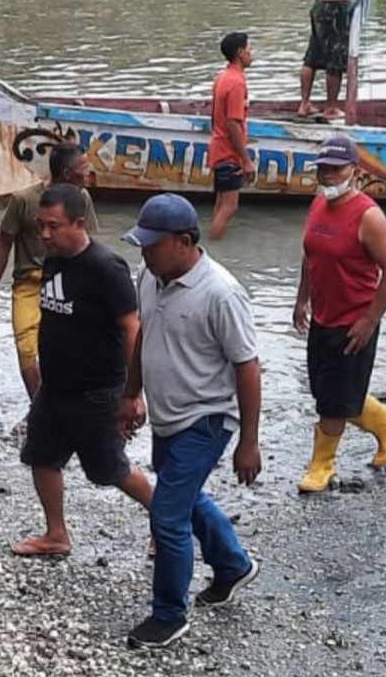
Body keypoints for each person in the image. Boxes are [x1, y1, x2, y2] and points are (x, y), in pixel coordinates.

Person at [121, 193, 263, 649]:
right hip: (168, 415)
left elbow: (248, 366)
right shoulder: (151, 276)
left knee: (166, 515)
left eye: (152, 244)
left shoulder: (221, 293)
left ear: (183, 242)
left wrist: (249, 442)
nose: (143, 252)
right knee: (182, 498)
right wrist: (131, 392)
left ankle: (169, 615)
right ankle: (233, 565)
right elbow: (144, 335)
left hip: (206, 417)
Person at [11, 184, 153, 558]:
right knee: (40, 457)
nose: (44, 235)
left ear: (78, 223)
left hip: (97, 391)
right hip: (54, 387)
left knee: (112, 470)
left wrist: (132, 393)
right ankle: (56, 534)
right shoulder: (54, 260)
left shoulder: (106, 268)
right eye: (41, 226)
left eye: (53, 226)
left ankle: (165, 520)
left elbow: (132, 327)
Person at [293, 136, 386, 493]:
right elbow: (310, 255)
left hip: (354, 321)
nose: (327, 176)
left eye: (335, 169)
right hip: (323, 316)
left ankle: (321, 466)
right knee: (328, 391)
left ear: (354, 171)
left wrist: (370, 319)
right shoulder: (318, 205)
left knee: (332, 400)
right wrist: (301, 299)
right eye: (322, 170)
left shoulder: (368, 216)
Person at [0, 143, 100, 402]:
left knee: (72, 346)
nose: (89, 173)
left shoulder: (82, 200)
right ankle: (39, 407)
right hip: (29, 282)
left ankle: (65, 400)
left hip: (69, 279)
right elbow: (4, 242)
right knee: (26, 348)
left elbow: (91, 245)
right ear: (68, 173)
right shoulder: (23, 200)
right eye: (83, 168)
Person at [208, 32, 255, 241]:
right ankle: (214, 246)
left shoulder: (222, 77)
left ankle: (211, 244)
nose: (252, 54)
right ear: (240, 53)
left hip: (218, 147)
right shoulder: (236, 83)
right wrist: (245, 160)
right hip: (228, 153)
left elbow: (215, 117)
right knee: (229, 206)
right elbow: (233, 123)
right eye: (249, 49)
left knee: (220, 204)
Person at [299, 0, 352, 119]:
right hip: (335, 8)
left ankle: (304, 104)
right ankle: (331, 109)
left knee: (312, 57)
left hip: (319, 7)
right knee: (335, 59)